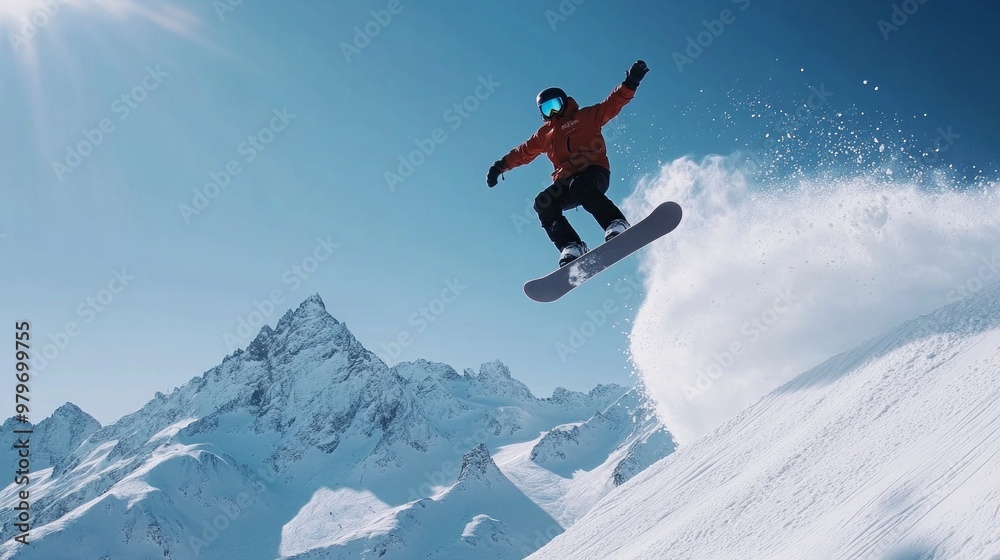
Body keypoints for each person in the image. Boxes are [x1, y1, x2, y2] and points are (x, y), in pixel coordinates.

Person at [487, 60, 650, 267]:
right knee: (543, 201)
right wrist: (500, 166)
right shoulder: (545, 134)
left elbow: (613, 103)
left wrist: (631, 81)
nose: (553, 113)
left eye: (555, 105)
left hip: (594, 173)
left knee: (580, 186)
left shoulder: (585, 117)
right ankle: (571, 245)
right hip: (567, 180)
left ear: (564, 102)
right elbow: (524, 151)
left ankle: (615, 223)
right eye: (547, 109)